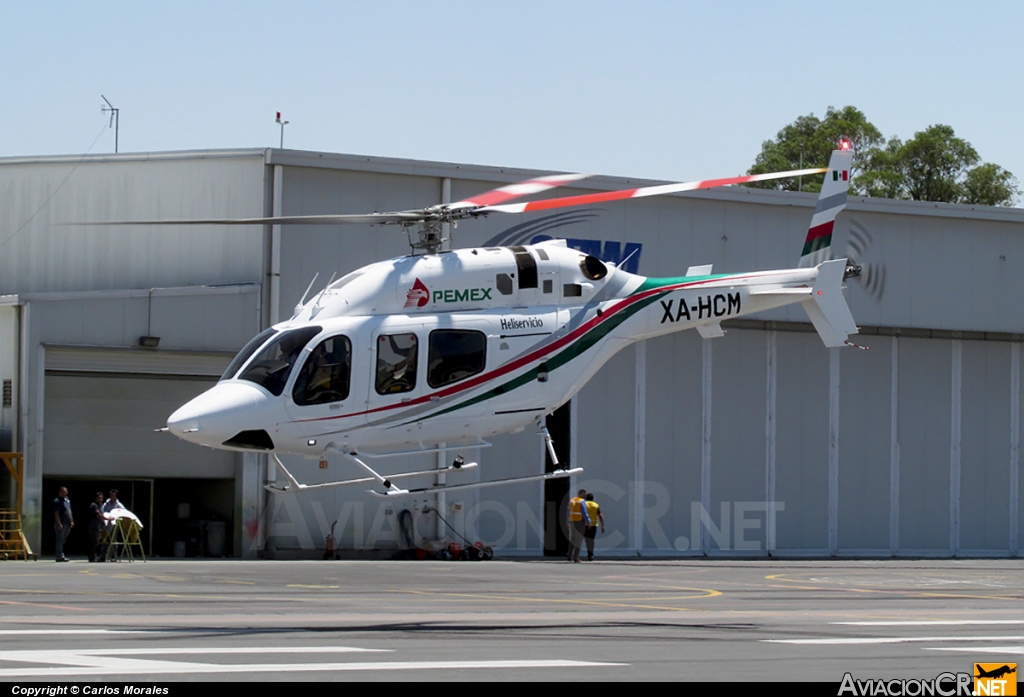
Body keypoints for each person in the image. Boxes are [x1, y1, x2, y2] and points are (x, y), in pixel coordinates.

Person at [566, 489, 590, 563]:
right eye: (585, 495)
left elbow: (568, 511)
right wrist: (588, 521)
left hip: (572, 521)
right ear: (581, 494)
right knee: (579, 539)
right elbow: (584, 512)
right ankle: (576, 557)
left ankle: (569, 555)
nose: (586, 496)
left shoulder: (572, 500)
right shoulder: (581, 501)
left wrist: (567, 522)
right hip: (579, 521)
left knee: (573, 538)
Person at [53, 486, 74, 562]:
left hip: (67, 522)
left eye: (65, 492)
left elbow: (69, 511)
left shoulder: (67, 500)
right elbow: (56, 513)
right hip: (62, 522)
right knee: (59, 539)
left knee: (63, 539)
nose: (64, 493)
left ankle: (61, 553)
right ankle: (59, 556)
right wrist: (59, 523)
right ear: (60, 492)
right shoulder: (57, 501)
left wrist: (71, 521)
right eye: (63, 492)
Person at [583, 493, 605, 561]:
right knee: (591, 540)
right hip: (594, 525)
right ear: (593, 499)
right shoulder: (596, 505)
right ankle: (591, 554)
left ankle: (586, 553)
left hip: (585, 524)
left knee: (586, 540)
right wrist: (603, 525)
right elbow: (600, 515)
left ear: (586, 498)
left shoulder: (584, 504)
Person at [88, 492, 107, 562]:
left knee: (97, 543)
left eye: (101, 498)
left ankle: (95, 556)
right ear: (96, 498)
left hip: (99, 527)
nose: (100, 499)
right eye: (99, 498)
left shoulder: (101, 506)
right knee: (94, 543)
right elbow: (98, 515)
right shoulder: (94, 505)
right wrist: (107, 519)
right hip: (94, 527)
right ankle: (92, 557)